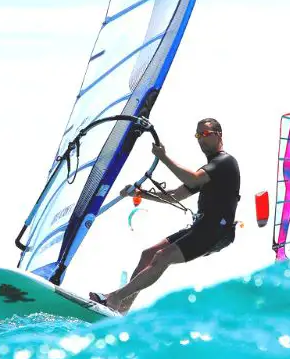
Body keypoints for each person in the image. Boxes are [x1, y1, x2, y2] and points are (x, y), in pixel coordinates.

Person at [89, 117, 241, 314]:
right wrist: (141, 194)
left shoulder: (225, 162)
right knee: (149, 254)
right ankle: (122, 310)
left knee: (163, 257)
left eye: (205, 134)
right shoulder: (210, 170)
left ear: (218, 135)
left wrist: (163, 157)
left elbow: (192, 179)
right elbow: (177, 195)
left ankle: (114, 298)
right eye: (198, 135)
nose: (200, 139)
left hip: (216, 230)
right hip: (202, 227)